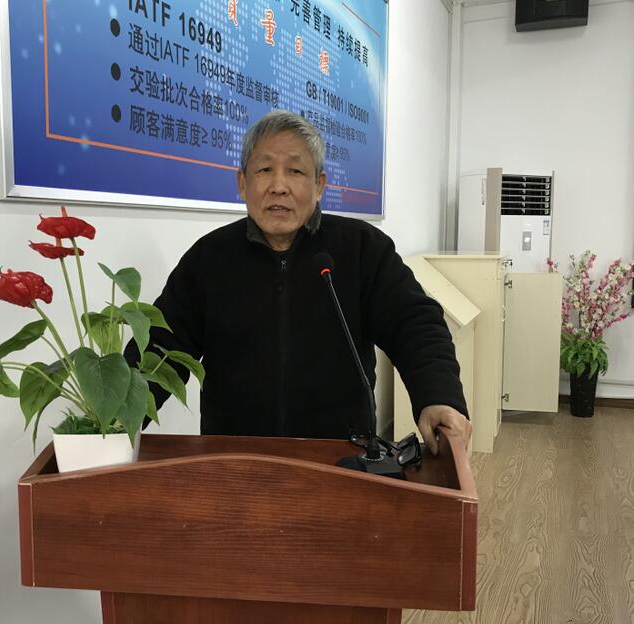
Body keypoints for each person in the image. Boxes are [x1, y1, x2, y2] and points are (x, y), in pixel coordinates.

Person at [125, 110, 472, 454]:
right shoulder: (209, 258)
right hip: (234, 459)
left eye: (295, 170)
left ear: (319, 184)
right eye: (264, 170)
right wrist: (113, 419)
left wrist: (438, 396)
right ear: (242, 183)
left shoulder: (362, 249)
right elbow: (159, 348)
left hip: (341, 457)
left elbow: (414, 324)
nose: (279, 186)